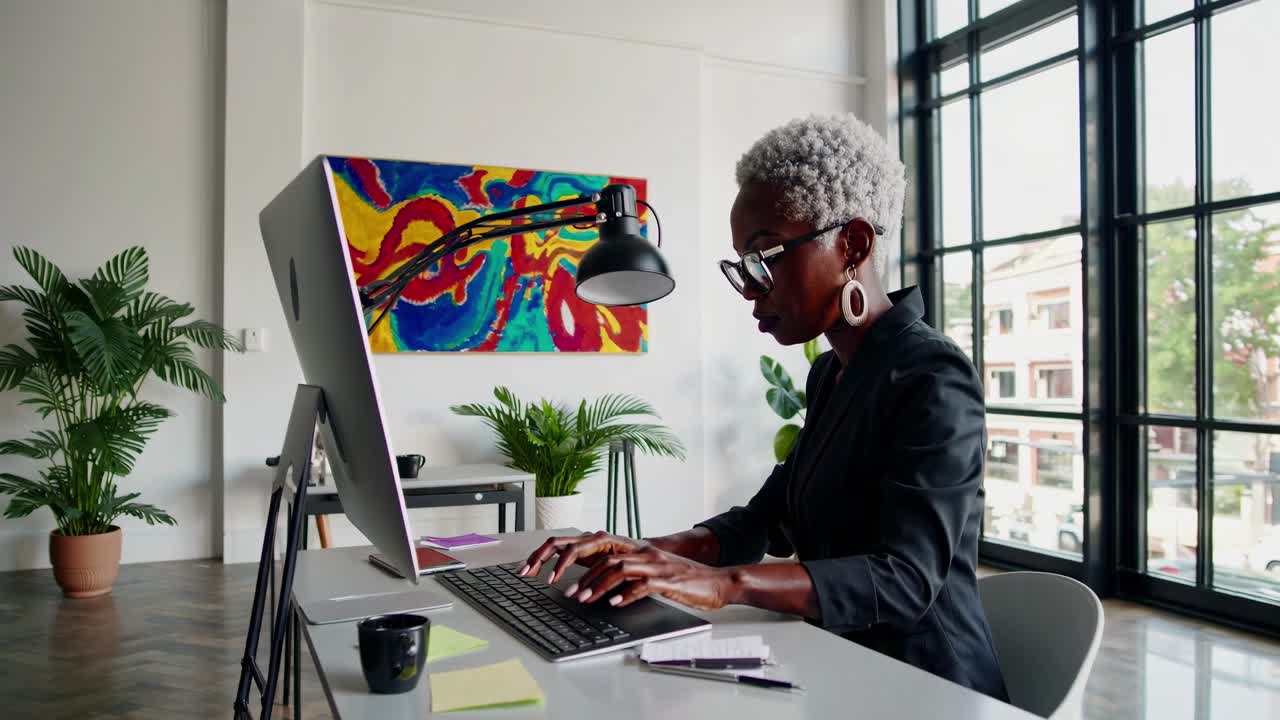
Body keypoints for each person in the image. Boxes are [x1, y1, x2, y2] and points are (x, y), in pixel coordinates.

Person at [520, 113, 1008, 700]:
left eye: (765, 256)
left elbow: (905, 579)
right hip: (838, 664)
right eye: (742, 266)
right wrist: (646, 552)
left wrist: (725, 585)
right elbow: (765, 520)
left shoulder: (933, 376)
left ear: (852, 244)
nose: (751, 286)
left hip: (925, 689)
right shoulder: (833, 372)